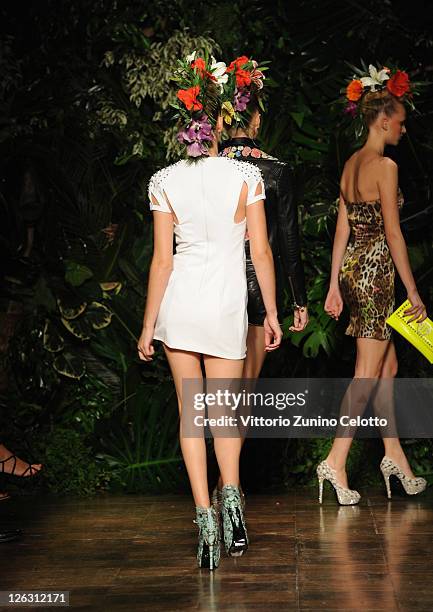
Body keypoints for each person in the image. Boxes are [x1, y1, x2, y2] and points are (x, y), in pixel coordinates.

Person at [137, 53, 282, 570]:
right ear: (220, 120)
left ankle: (204, 522)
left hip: (180, 307)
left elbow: (161, 260)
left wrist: (148, 323)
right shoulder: (247, 176)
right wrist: (272, 313)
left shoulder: (163, 181)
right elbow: (259, 253)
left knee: (190, 416)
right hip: (224, 305)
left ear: (184, 126)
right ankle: (233, 504)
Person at [320, 65, 427, 504]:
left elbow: (342, 230)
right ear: (383, 120)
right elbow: (395, 233)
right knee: (366, 372)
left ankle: (394, 457)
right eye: (400, 121)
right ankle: (335, 460)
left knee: (388, 369)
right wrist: (414, 291)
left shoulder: (349, 165)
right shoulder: (384, 165)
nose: (403, 128)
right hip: (378, 270)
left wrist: (332, 285)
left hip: (354, 271)